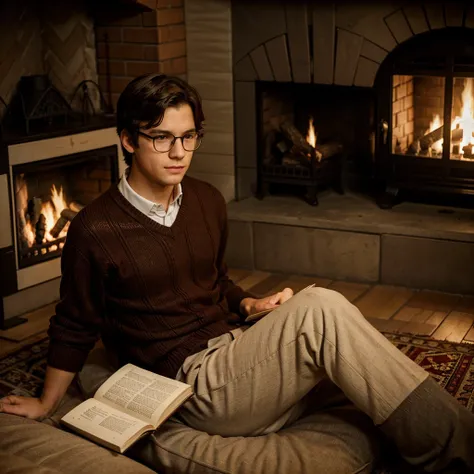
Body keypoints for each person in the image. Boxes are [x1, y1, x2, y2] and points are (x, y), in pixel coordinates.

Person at [0, 74, 472, 473]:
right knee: (321, 309)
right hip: (191, 384)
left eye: (189, 136)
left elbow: (216, 279)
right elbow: (76, 321)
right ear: (127, 139)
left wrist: (248, 305)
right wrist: (46, 404)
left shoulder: (205, 199)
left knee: (354, 355)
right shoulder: (95, 228)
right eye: (161, 137)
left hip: (232, 350)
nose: (178, 152)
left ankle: (449, 436)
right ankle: (458, 451)